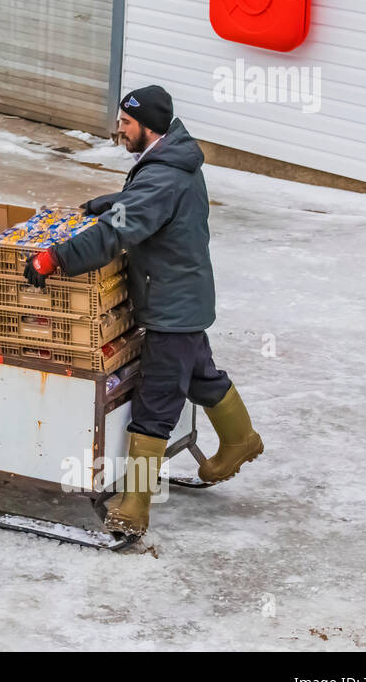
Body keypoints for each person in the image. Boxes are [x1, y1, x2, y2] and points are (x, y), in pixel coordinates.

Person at [24, 85, 263, 536]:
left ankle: (133, 505)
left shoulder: (163, 175)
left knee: (155, 404)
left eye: (126, 123)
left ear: (149, 127)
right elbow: (141, 209)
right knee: (197, 373)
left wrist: (54, 258)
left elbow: (117, 232)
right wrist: (109, 202)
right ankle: (240, 439)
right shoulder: (172, 159)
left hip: (171, 306)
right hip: (183, 297)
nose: (118, 129)